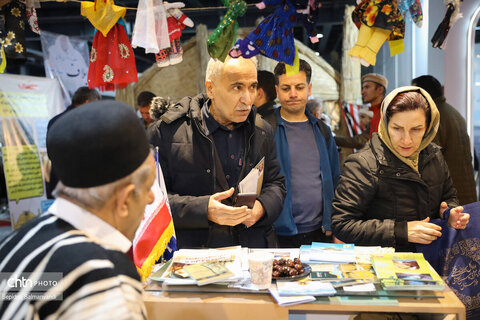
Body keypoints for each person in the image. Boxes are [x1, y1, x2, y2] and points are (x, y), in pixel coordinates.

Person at [0, 101, 155, 319]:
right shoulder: (104, 279)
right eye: (148, 187)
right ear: (125, 200)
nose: (152, 198)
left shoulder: (20, 240)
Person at [148, 56, 286, 249]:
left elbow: (275, 183)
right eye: (237, 87)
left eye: (253, 87)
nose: (247, 99)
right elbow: (150, 198)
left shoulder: (261, 129)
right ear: (210, 88)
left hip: (251, 251)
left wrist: (262, 208)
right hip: (194, 261)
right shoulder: (167, 133)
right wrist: (204, 209)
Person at [332, 87, 470, 252]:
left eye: (416, 129)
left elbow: (449, 196)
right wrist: (401, 231)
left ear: (428, 127)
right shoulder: (363, 164)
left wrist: (449, 213)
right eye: (397, 129)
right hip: (383, 265)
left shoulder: (434, 155)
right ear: (385, 124)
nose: (406, 140)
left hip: (431, 259)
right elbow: (342, 224)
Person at [266, 59, 340, 248]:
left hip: (320, 233)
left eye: (299, 87)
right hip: (276, 235)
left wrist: (335, 223)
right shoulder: (265, 129)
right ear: (277, 91)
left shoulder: (322, 130)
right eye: (286, 88)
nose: (293, 94)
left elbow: (335, 178)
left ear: (309, 89)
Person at [412, 75, 477, 205]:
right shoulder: (452, 112)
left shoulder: (433, 117)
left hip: (449, 195)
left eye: (414, 93)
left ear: (425, 93)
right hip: (464, 190)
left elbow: (429, 161)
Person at [46, 86, 101, 198]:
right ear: (87, 102)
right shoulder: (86, 122)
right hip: (79, 185)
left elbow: (50, 154)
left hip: (58, 182)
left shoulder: (54, 121)